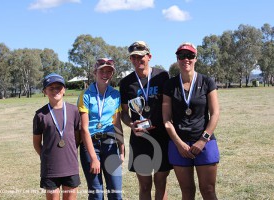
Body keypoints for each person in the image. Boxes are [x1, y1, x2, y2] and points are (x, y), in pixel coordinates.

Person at [162, 42, 220, 200]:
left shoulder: (207, 82)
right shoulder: (170, 85)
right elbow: (166, 119)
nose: (186, 59)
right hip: (179, 144)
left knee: (208, 190)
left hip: (205, 143)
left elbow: (215, 114)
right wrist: (179, 144)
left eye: (190, 56)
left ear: (195, 58)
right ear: (177, 59)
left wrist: (203, 140)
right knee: (187, 192)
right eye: (182, 56)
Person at [119, 41, 171, 200]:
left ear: (149, 57)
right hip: (140, 139)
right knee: (145, 185)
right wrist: (131, 125)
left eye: (141, 57)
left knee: (161, 183)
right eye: (133, 57)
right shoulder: (126, 82)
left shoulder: (162, 76)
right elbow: (124, 113)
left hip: (162, 137)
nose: (137, 60)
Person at [77, 58, 124, 200]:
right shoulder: (85, 95)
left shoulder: (116, 95)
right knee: (96, 192)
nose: (105, 74)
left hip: (110, 144)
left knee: (115, 190)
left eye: (109, 71)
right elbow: (84, 129)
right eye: (101, 71)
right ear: (94, 72)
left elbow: (117, 124)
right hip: (90, 145)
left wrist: (121, 150)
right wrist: (93, 158)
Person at [33, 73, 81, 200]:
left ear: (64, 90)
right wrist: (47, 156)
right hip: (50, 168)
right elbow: (37, 143)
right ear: (45, 91)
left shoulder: (74, 111)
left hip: (70, 166)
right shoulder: (40, 115)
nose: (55, 90)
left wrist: (68, 151)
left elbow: (78, 137)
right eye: (51, 88)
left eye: (59, 87)